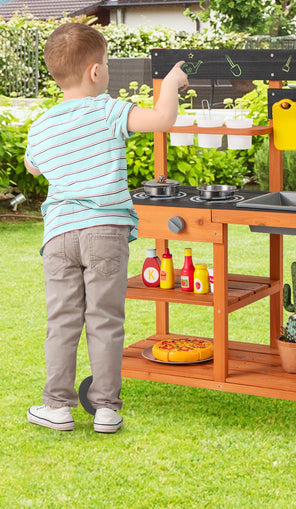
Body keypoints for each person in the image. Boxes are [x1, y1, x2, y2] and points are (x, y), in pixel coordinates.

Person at [24, 23, 188, 433]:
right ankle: (106, 410)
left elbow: (33, 166)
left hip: (59, 235)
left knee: (62, 321)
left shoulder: (41, 126)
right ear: (95, 71)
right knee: (105, 319)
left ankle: (57, 406)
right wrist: (171, 83)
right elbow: (163, 118)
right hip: (105, 232)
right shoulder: (108, 110)